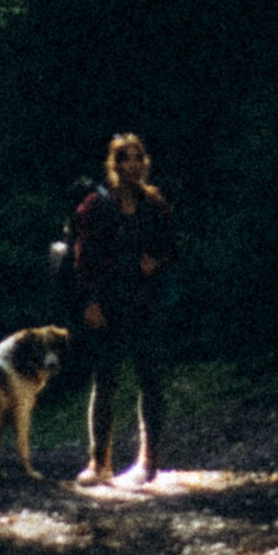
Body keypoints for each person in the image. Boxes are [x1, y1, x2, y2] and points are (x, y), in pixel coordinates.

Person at [72, 131, 176, 486]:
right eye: (124, 159)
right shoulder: (95, 206)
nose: (132, 164)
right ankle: (99, 462)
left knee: (151, 381)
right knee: (106, 382)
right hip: (110, 304)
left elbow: (173, 248)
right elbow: (82, 259)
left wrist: (156, 262)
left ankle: (149, 461)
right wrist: (90, 301)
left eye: (137, 157)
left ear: (144, 163)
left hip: (147, 303)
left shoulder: (155, 204)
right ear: (114, 166)